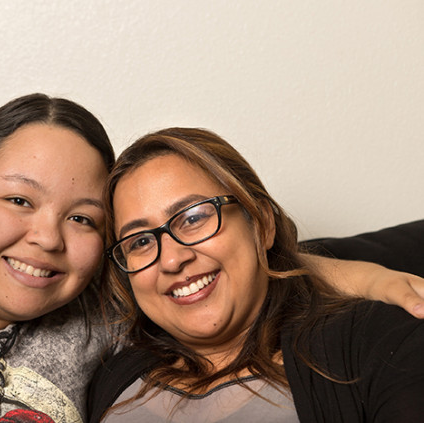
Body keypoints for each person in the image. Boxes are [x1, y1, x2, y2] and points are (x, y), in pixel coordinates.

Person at [0, 97, 422, 423]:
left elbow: (215, 274)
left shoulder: (96, 324)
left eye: (83, 219)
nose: (46, 238)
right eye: (18, 199)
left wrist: (373, 277)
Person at [89, 127, 424, 422]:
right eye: (142, 241)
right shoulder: (108, 374)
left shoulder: (377, 343)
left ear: (263, 224)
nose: (172, 260)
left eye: (193, 218)